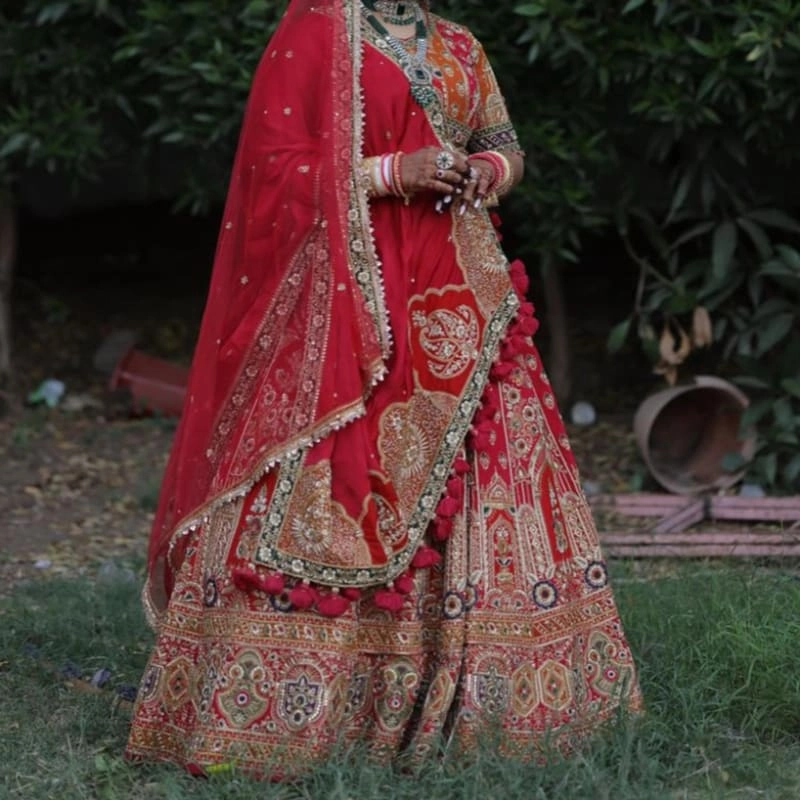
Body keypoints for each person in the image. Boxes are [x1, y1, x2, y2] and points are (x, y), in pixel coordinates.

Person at [125, 0, 642, 777]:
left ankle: (501, 711)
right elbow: (270, 167)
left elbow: (503, 144)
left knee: (486, 478)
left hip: (465, 302)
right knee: (325, 476)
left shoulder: (462, 45)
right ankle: (284, 716)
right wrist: (391, 172)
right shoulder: (317, 31)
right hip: (348, 305)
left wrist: (486, 172)